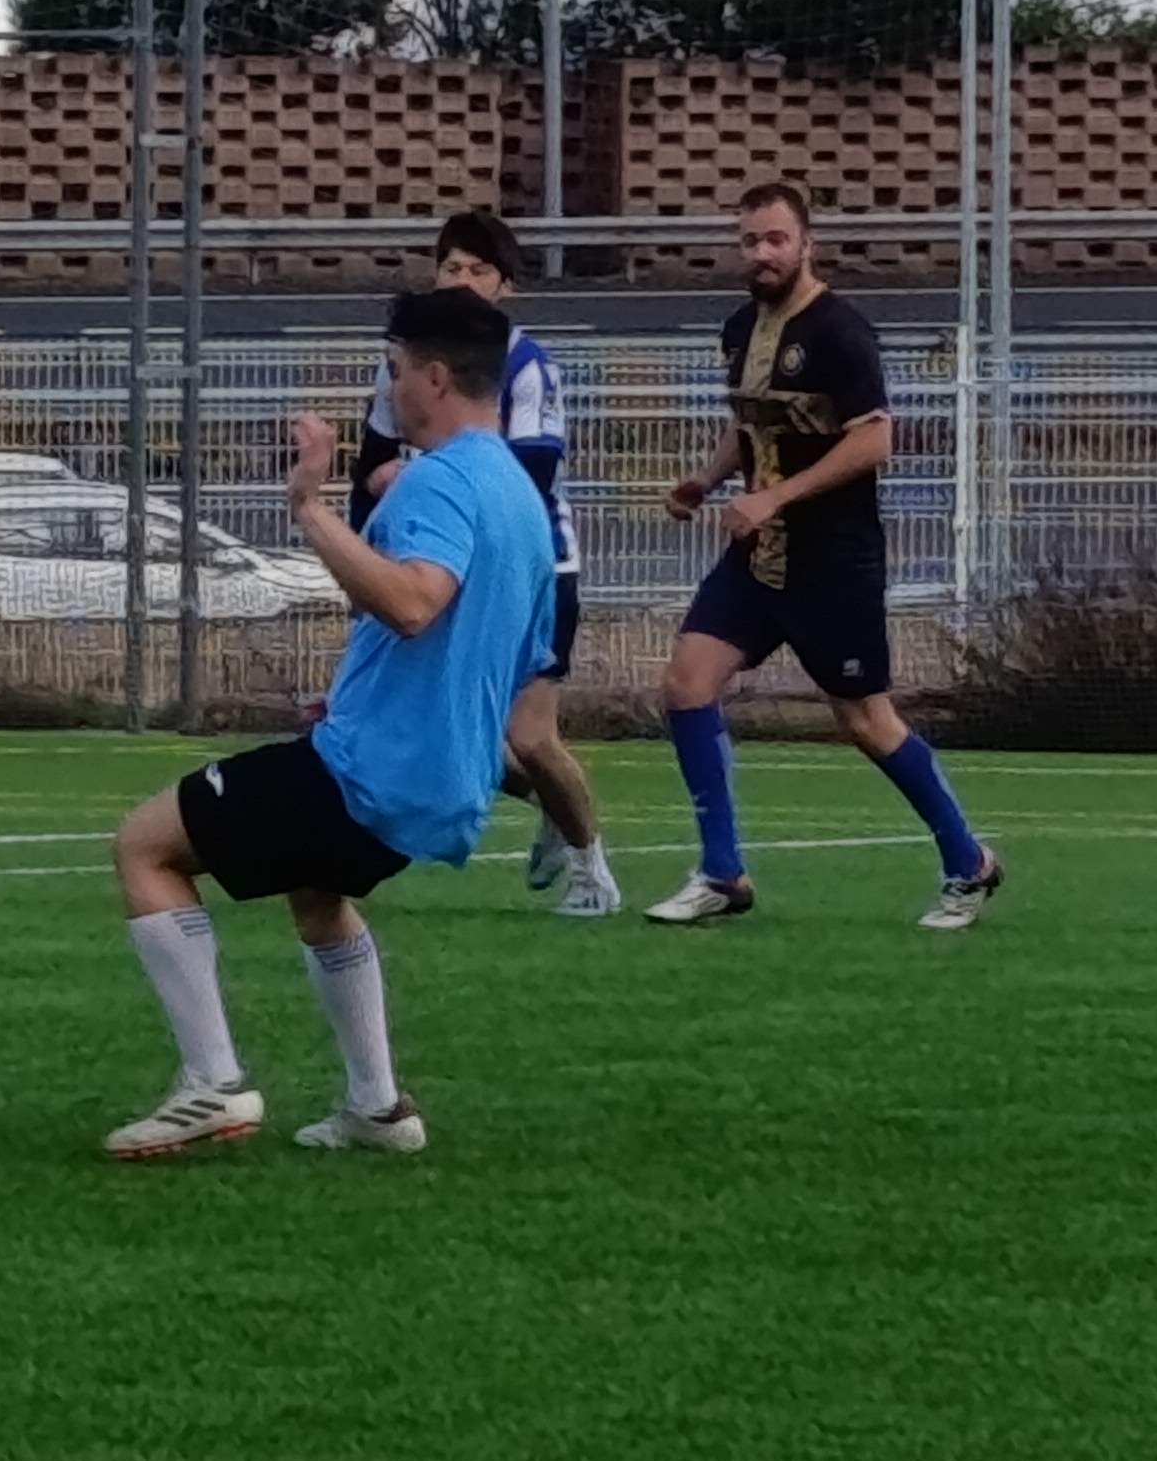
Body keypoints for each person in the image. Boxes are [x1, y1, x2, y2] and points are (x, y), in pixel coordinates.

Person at [102, 285, 558, 1162]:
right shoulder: (519, 496)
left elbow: (417, 604)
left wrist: (309, 507)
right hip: (437, 783)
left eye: (392, 370)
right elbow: (508, 655)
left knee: (145, 847)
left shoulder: (442, 479)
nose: (387, 389)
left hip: (372, 771)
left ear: (434, 376)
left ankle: (211, 1084)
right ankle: (377, 1108)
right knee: (318, 895)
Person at [646, 179, 1002, 933]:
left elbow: (874, 440)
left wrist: (774, 496)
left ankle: (968, 862)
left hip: (833, 561)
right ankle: (722, 872)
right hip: (759, 557)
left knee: (867, 722)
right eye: (750, 240)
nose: (763, 253)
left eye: (777, 239)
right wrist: (706, 480)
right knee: (686, 684)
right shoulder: (740, 329)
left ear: (808, 243)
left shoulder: (842, 332)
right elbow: (751, 425)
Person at [351, 208, 617, 919]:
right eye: (452, 267)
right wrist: (365, 546)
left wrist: (422, 478)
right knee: (447, 724)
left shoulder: (526, 365)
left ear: (506, 286)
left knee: (528, 735)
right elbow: (369, 465)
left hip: (529, 565)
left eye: (479, 269)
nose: (463, 280)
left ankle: (591, 867)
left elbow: (531, 471)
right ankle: (553, 808)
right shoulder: (402, 365)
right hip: (433, 563)